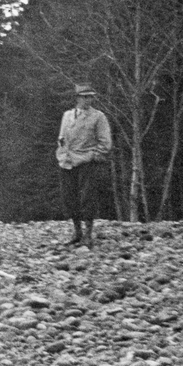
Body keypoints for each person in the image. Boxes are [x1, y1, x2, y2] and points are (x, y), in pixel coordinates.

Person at [56, 83, 112, 247]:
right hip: (67, 161)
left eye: (91, 96)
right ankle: (77, 231)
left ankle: (88, 234)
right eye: (85, 96)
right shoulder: (67, 115)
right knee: (69, 196)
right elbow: (61, 137)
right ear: (77, 98)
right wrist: (62, 151)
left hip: (86, 161)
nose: (88, 99)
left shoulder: (98, 116)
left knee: (87, 196)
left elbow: (105, 142)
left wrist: (94, 155)